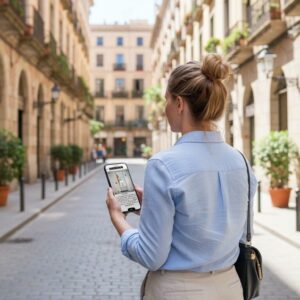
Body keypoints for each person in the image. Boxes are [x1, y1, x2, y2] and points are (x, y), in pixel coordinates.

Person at [105, 54, 257, 300]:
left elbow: (151, 256)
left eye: (166, 99)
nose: (164, 108)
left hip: (179, 291)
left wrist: (118, 220)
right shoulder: (241, 161)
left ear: (179, 103)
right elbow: (224, 229)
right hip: (231, 288)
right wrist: (152, 206)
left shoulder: (164, 165)